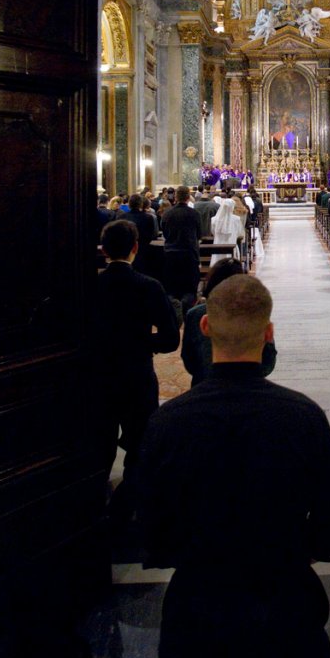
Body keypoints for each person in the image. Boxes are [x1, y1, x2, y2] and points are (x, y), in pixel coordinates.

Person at [139, 274, 330, 658]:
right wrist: (300, 551)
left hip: (199, 603)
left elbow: (152, 526)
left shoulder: (167, 421)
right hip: (284, 596)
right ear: (269, 333)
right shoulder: (303, 415)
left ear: (203, 327)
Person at [95, 219, 180, 531]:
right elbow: (171, 339)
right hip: (137, 374)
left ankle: (93, 505)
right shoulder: (148, 286)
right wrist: (143, 342)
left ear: (102, 250)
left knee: (99, 438)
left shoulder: (88, 285)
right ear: (135, 248)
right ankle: (130, 507)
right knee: (140, 440)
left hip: (98, 376)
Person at [182, 259, 277, 385]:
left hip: (204, 384)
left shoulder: (194, 315)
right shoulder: (254, 313)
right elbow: (268, 361)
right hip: (249, 387)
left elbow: (189, 360)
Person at [161, 185, 202, 309]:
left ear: (176, 197)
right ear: (188, 197)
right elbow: (199, 234)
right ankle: (187, 314)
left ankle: (174, 316)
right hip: (189, 254)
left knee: (172, 289)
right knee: (189, 289)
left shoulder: (167, 214)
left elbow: (165, 232)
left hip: (170, 254)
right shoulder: (194, 213)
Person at [211, 196, 245, 263]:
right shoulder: (236, 219)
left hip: (218, 244)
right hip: (232, 243)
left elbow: (213, 232)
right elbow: (239, 233)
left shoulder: (214, 219)